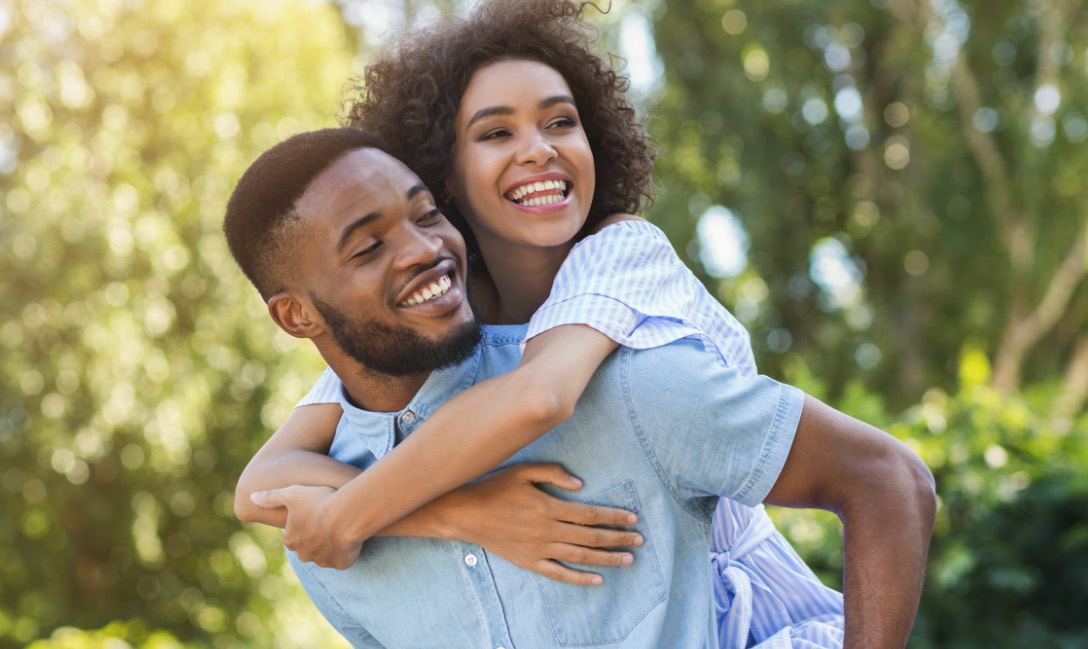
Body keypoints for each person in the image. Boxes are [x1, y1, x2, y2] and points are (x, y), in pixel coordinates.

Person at [233, 1, 934, 647]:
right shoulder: (440, 311)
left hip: (743, 601)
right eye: (496, 131)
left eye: (560, 121)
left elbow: (540, 397)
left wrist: (351, 515)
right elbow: (262, 483)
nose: (538, 148)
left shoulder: (617, 258)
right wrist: (456, 512)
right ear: (444, 173)